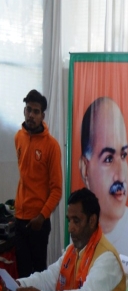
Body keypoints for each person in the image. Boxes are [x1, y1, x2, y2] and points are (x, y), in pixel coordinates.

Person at [13, 188, 125, 291]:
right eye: (69, 220)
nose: (70, 228)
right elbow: (49, 278)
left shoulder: (107, 258)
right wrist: (18, 285)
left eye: (76, 221)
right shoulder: (73, 250)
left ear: (92, 221)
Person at [79, 97, 128, 258]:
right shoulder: (78, 230)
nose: (121, 175)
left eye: (123, 155)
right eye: (108, 159)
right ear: (85, 169)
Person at [14, 90, 63, 278]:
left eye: (36, 111)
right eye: (28, 110)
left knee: (38, 276)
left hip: (38, 222)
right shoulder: (18, 138)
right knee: (22, 276)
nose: (31, 115)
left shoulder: (51, 146)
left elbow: (56, 190)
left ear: (43, 116)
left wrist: (41, 217)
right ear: (24, 111)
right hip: (19, 219)